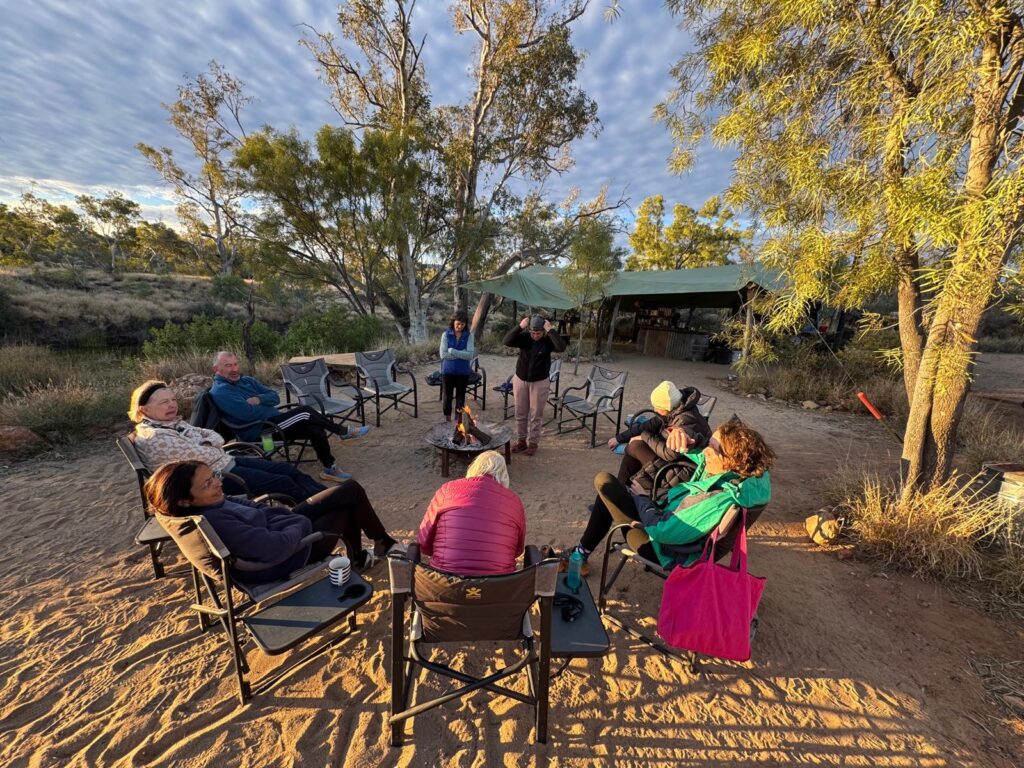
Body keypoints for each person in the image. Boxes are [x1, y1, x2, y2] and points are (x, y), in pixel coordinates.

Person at [144, 460, 405, 583]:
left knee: (349, 490)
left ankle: (381, 543)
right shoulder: (216, 520)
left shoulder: (212, 501)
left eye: (213, 476)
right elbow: (274, 547)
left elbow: (253, 506)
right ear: (184, 501)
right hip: (289, 554)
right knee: (346, 508)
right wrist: (296, 522)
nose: (218, 483)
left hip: (283, 528)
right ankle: (368, 552)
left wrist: (283, 519)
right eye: (208, 483)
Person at [568, 420, 774, 570]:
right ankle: (582, 551)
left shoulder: (718, 499)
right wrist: (685, 439)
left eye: (712, 449)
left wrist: (643, 500)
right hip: (680, 536)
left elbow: (662, 531)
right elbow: (700, 456)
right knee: (613, 493)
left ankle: (581, 553)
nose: (705, 453)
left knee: (604, 483)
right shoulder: (747, 480)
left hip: (663, 549)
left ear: (733, 461)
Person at [129, 380, 326, 500]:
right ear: (144, 410)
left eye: (173, 400)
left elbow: (213, 435)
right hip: (213, 478)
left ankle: (327, 496)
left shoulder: (171, 423)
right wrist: (206, 443)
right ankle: (319, 508)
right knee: (282, 481)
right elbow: (204, 453)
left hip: (224, 462)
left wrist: (205, 442)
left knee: (287, 469)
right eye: (164, 402)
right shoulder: (155, 437)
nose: (172, 405)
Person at [210, 351, 369, 483]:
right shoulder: (221, 391)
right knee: (305, 411)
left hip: (276, 421)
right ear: (216, 369)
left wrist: (259, 399)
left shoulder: (246, 380)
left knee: (315, 426)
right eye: (228, 366)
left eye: (236, 364)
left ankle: (329, 468)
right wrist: (263, 404)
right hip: (261, 431)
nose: (234, 369)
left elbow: (274, 397)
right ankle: (342, 432)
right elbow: (247, 414)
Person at [417, 451, 526, 576]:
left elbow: (423, 543)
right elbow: (517, 550)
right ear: (504, 475)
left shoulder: (447, 490)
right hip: (498, 587)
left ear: (474, 468)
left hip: (445, 583)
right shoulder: (514, 501)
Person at [607, 381, 712, 495]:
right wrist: (619, 438)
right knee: (634, 451)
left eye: (658, 407)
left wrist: (643, 436)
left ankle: (617, 494)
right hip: (674, 461)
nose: (655, 410)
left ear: (667, 407)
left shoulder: (687, 420)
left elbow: (670, 453)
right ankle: (617, 493)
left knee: (635, 447)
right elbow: (646, 426)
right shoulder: (674, 410)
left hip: (683, 471)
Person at [502, 314, 566, 456]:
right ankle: (521, 441)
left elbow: (561, 347)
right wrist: (520, 326)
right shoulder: (525, 338)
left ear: (542, 332)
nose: (535, 335)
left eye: (538, 333)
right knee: (520, 412)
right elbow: (506, 341)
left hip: (540, 381)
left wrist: (550, 330)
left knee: (536, 414)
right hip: (520, 379)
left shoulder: (548, 340)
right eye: (532, 333)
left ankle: (533, 443)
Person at [440, 310, 475, 422]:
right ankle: (447, 419)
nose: (459, 326)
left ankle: (457, 420)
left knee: (460, 397)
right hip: (448, 371)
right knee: (447, 397)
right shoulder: (445, 335)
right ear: (453, 322)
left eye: (462, 324)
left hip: (463, 372)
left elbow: (470, 355)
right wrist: (461, 354)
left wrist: (452, 351)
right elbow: (443, 355)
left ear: (465, 324)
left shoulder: (469, 336)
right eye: (457, 324)